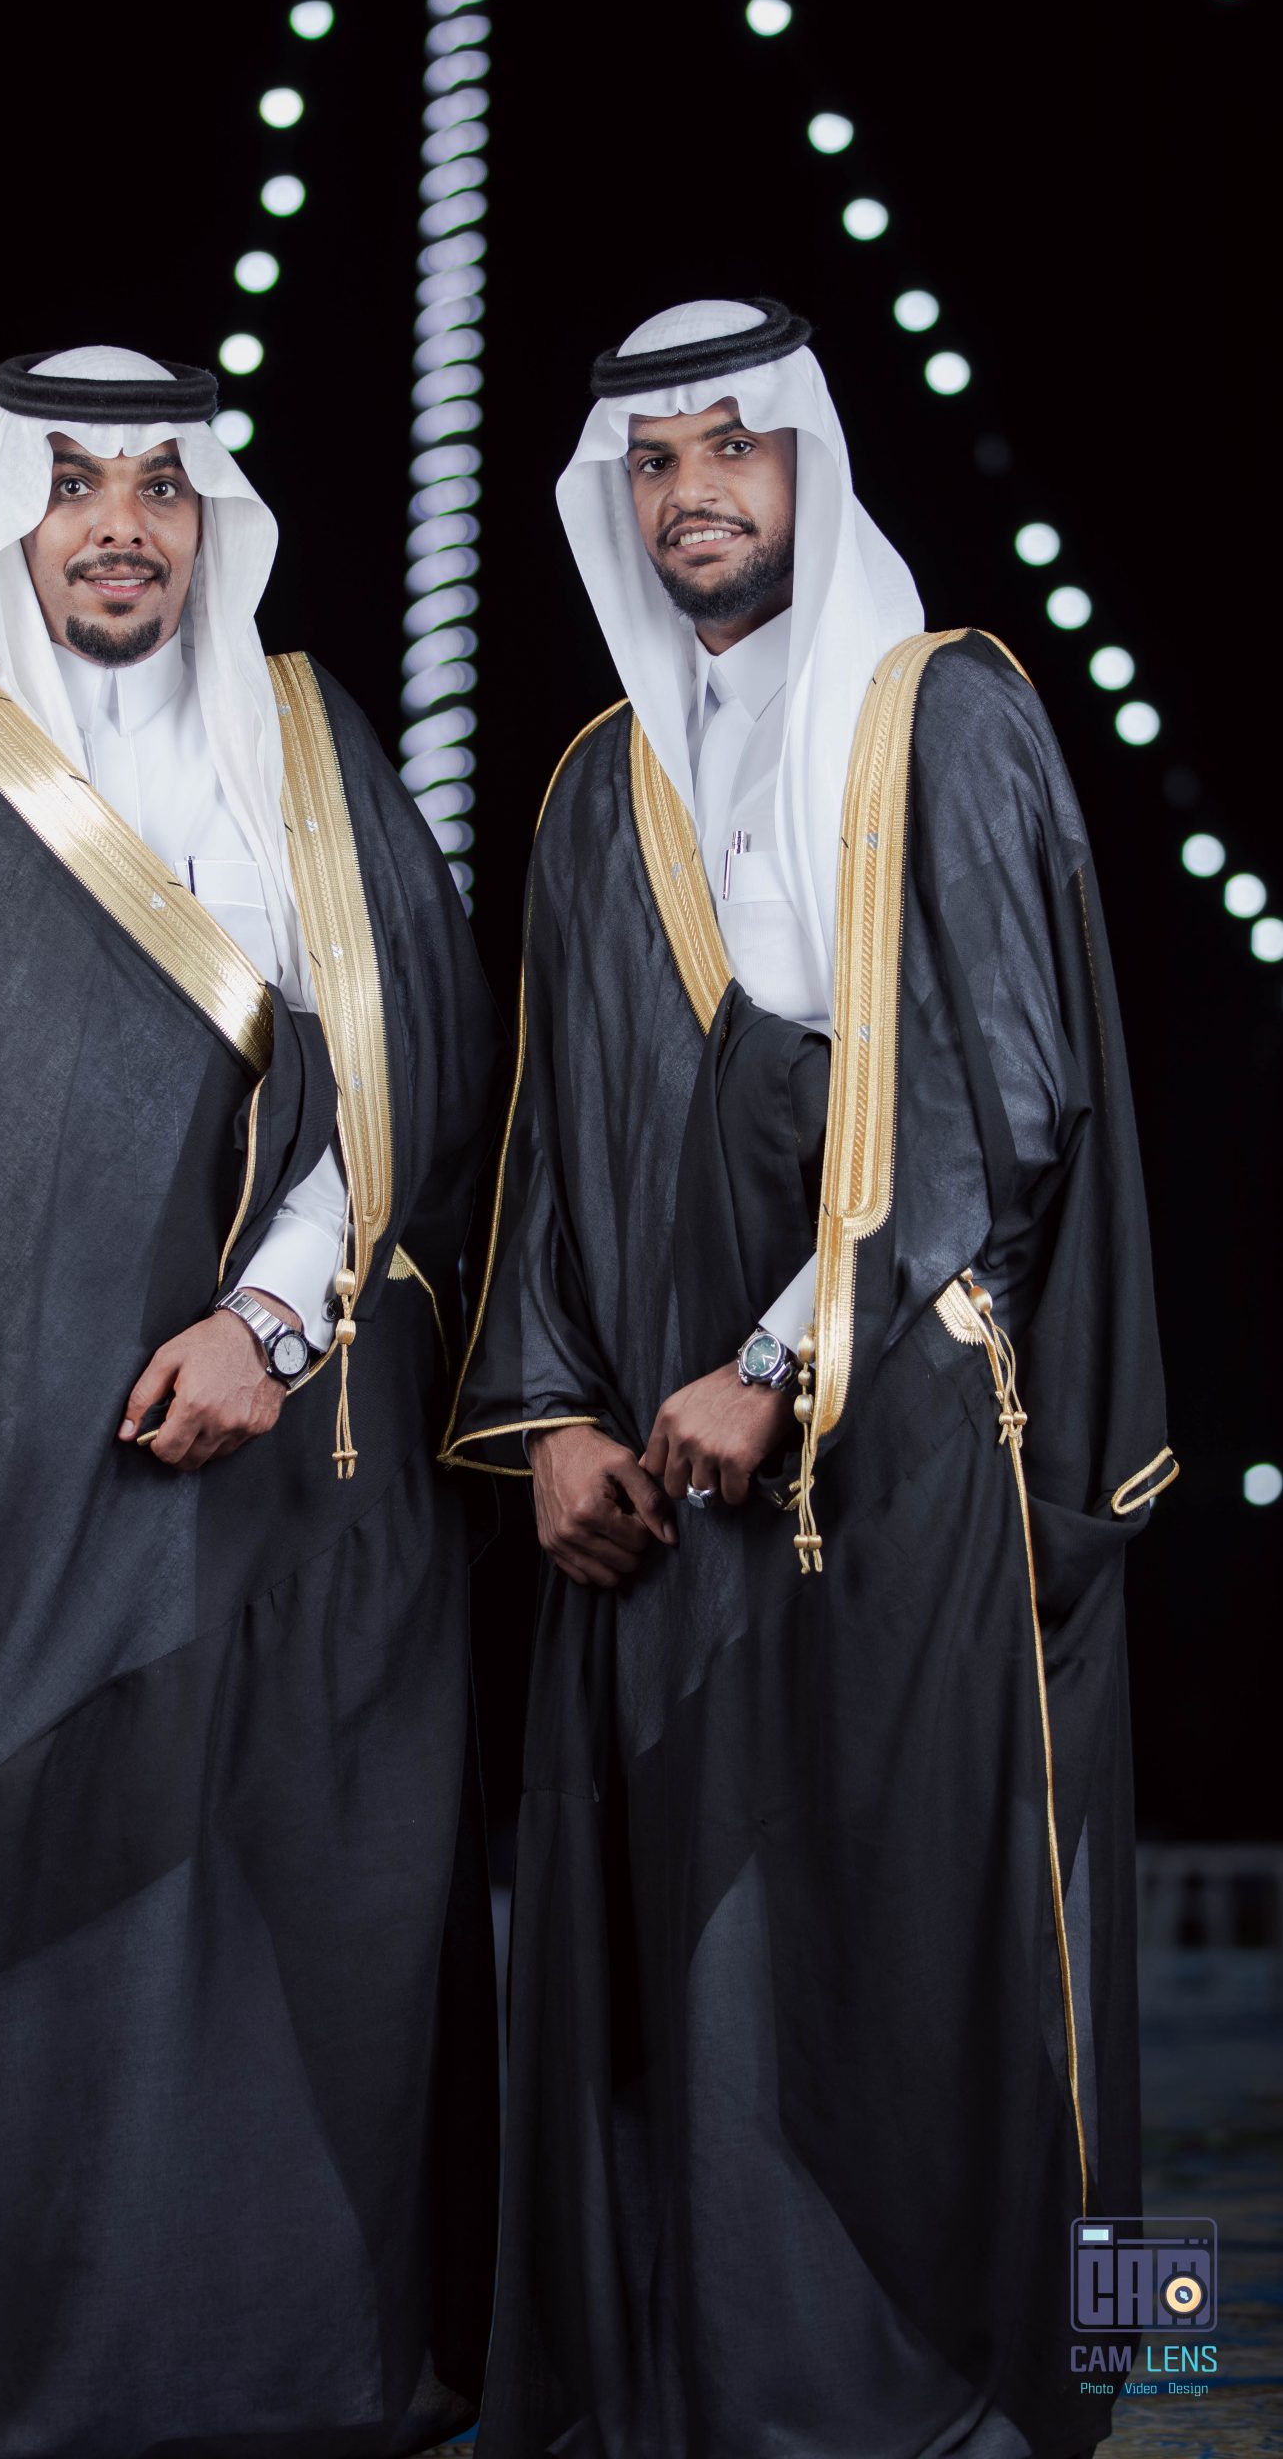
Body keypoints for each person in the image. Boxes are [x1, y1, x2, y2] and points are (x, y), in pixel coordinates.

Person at [0, 345, 501, 2459]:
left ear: (210, 516)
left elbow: (417, 1071)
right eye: (71, 486)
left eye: (155, 484)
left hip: (258, 1503)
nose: (117, 526)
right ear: (11, 521)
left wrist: (275, 1320)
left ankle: (264, 2399)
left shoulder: (307, 746)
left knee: (248, 1978)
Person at [445, 298, 1175, 2458]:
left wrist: (779, 1353)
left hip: (919, 1451)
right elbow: (552, 1141)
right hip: (660, 1488)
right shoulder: (599, 785)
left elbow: (1001, 1103)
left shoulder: (948, 707)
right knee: (697, 1958)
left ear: (808, 464)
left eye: (732, 445)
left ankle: (1121, 2381)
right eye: (653, 459)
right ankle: (725, 2414)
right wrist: (552, 1418)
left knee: (989, 1949)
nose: (693, 492)